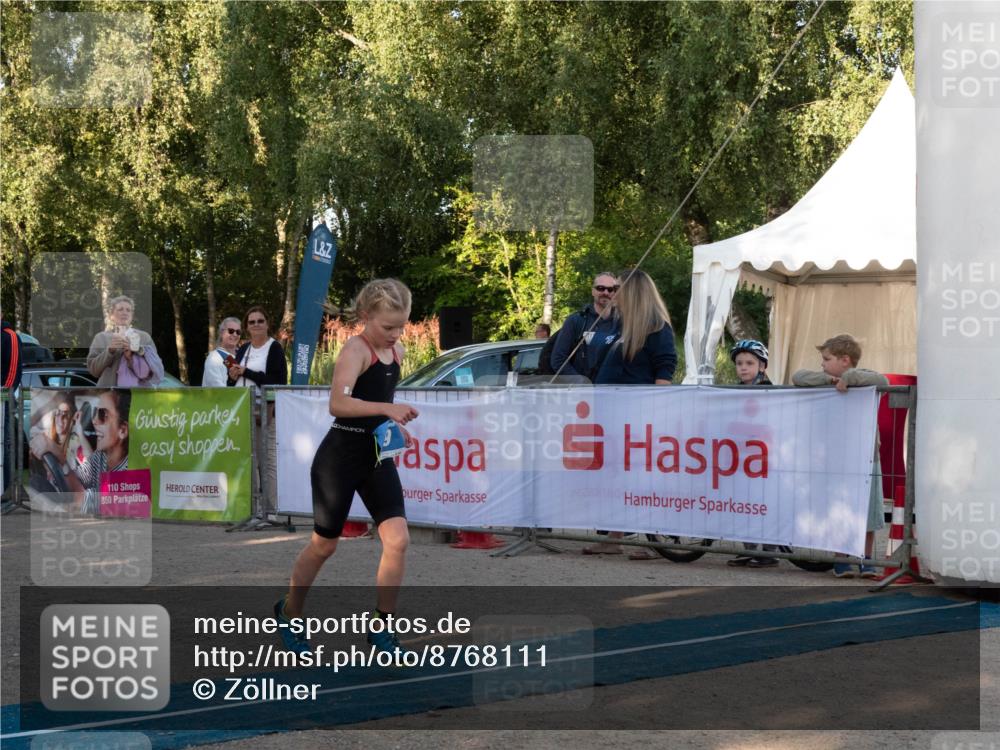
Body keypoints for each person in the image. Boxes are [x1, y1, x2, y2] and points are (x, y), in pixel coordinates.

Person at [275, 279, 419, 657]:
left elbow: (375, 406)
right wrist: (387, 410)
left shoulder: (397, 351)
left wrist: (394, 427)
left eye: (401, 326)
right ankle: (289, 613)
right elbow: (338, 405)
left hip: (374, 456)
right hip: (338, 460)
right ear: (367, 316)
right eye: (388, 327)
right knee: (324, 546)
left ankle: (381, 628)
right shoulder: (356, 350)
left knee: (399, 540)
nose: (396, 334)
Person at [587, 269, 677, 558]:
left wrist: (656, 414)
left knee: (641, 478)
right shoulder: (620, 327)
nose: (614, 294)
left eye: (618, 289)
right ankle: (613, 537)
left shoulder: (657, 328)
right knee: (615, 478)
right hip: (613, 415)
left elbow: (664, 371)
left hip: (637, 417)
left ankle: (652, 541)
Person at [792, 333, 887, 579]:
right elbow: (798, 377)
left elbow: (883, 380)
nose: (822, 363)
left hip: (867, 458)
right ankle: (841, 558)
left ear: (845, 360)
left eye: (826, 359)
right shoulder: (822, 379)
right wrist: (829, 378)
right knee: (838, 509)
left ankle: (866, 558)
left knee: (867, 512)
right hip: (837, 457)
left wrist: (849, 379)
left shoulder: (865, 378)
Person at [725, 340, 780, 569]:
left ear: (762, 366)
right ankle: (749, 548)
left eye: (749, 363)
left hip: (766, 460)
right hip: (742, 459)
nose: (743, 368)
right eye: (739, 363)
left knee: (764, 505)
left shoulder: (771, 392)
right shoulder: (734, 392)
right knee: (744, 503)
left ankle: (769, 552)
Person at [228, 306, 287, 514]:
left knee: (266, 460)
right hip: (242, 409)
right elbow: (233, 381)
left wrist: (247, 372)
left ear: (267, 324)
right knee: (247, 459)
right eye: (252, 322)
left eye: (260, 321)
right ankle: (251, 508)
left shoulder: (275, 348)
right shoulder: (243, 349)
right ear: (246, 327)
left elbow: (277, 382)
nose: (256, 325)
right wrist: (233, 376)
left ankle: (272, 509)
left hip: (265, 409)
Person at [44, 390, 130, 516]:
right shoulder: (101, 456)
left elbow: (87, 502)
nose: (94, 420)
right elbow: (80, 477)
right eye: (95, 412)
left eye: (102, 415)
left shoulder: (130, 470)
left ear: (122, 430)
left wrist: (58, 456)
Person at [550, 272, 622, 381]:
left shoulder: (623, 322)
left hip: (615, 391)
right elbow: (558, 359)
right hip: (583, 393)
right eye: (600, 288)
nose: (606, 292)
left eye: (610, 289)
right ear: (593, 291)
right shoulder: (576, 320)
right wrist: (580, 381)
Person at [86, 296, 164, 387]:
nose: (124, 313)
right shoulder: (101, 338)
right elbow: (93, 371)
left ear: (132, 316)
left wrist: (136, 352)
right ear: (111, 315)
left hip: (139, 394)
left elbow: (155, 368)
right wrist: (110, 351)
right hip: (110, 394)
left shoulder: (144, 337)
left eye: (128, 310)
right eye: (120, 309)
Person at [2, 319, 22, 499]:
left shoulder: (10, 336)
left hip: (3, 402)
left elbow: (13, 371)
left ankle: (6, 490)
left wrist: (3, 395)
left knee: (4, 444)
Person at [202, 316, 242, 387]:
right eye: (231, 331)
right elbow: (217, 391)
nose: (235, 334)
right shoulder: (214, 358)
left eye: (238, 332)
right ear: (221, 333)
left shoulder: (243, 355)